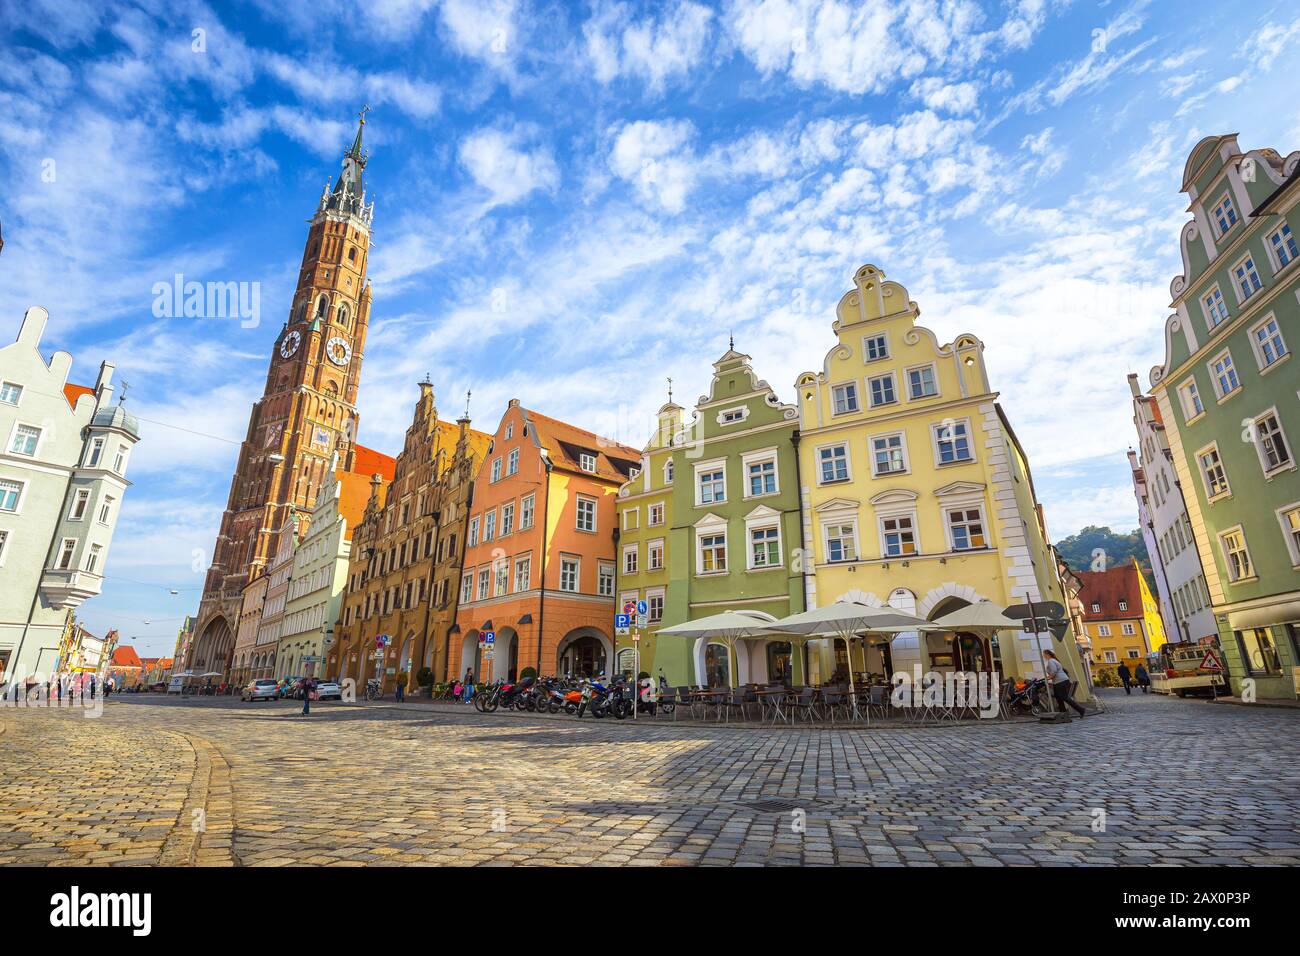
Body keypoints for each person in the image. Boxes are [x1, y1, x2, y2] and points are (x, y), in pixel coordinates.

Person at [1044, 649, 1086, 718]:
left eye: (1044, 654)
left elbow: (1054, 671)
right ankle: (1063, 713)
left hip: (1060, 681)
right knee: (1058, 697)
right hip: (1060, 681)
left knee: (1064, 697)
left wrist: (1048, 677)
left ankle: (1081, 709)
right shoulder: (1054, 660)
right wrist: (1050, 677)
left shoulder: (1051, 661)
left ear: (1047, 654)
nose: (1044, 656)